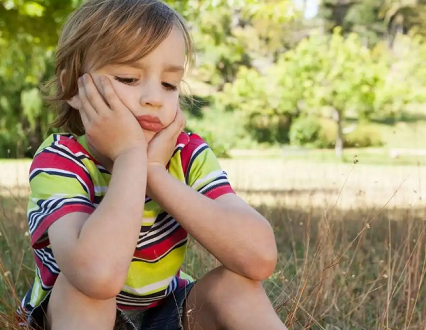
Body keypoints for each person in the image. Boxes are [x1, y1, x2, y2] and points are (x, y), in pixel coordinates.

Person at [18, 0, 287, 329]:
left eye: (169, 84)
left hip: (165, 313)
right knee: (85, 295)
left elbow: (258, 258)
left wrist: (156, 174)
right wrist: (131, 156)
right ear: (73, 86)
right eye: (129, 78)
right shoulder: (62, 160)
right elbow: (97, 277)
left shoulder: (187, 156)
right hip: (78, 314)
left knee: (238, 288)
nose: (154, 98)